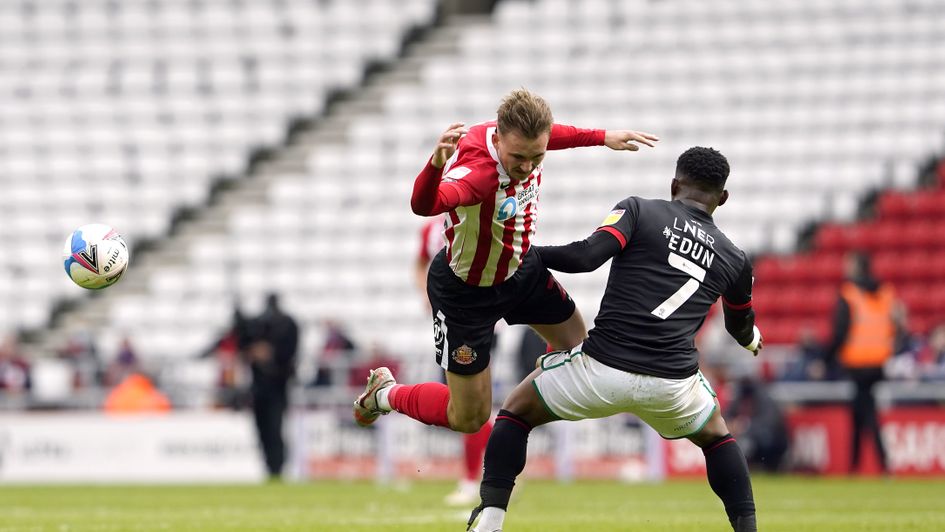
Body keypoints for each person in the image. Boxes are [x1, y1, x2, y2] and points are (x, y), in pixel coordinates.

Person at [467, 147, 761, 532]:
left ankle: (490, 519)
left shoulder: (639, 210)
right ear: (722, 198)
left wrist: (529, 254)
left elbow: (587, 257)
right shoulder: (735, 259)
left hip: (602, 368)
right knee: (717, 436)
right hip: (673, 383)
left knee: (517, 408)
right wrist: (753, 338)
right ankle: (748, 528)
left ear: (674, 185)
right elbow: (739, 328)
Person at [353, 88, 658, 439]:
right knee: (469, 418)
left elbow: (553, 134)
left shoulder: (522, 139)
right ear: (497, 140)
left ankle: (517, 411)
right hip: (466, 293)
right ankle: (384, 394)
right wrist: (435, 165)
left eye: (537, 157)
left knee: (578, 347)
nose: (527, 167)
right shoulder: (478, 175)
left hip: (520, 270)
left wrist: (603, 137)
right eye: (518, 158)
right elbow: (425, 205)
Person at [416, 214, 494, 506]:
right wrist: (426, 293)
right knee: (462, 407)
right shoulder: (430, 228)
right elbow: (420, 261)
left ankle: (473, 479)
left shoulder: (476, 216)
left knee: (467, 407)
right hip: (449, 321)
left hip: (477, 321)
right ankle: (502, 453)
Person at [824, 252, 896, 475]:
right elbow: (897, 324)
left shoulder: (849, 293)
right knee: (858, 411)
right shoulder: (885, 292)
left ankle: (882, 464)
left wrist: (825, 359)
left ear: (856, 267)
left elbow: (840, 332)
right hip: (880, 362)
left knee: (867, 413)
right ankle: (854, 466)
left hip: (857, 362)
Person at [246, 293, 300, 480]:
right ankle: (271, 467)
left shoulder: (287, 325)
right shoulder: (257, 325)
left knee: (275, 429)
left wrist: (270, 355)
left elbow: (289, 355)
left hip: (278, 388)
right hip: (260, 389)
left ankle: (277, 467)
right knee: (264, 431)